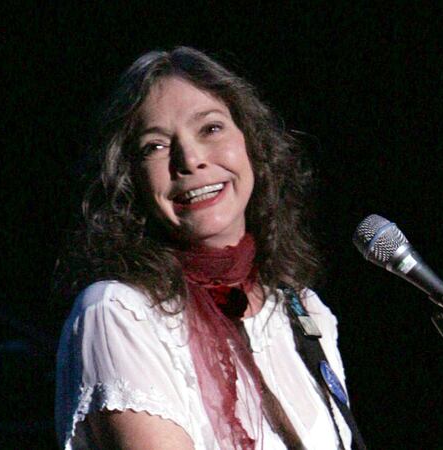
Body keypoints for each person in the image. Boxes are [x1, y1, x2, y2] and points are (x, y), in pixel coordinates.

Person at [54, 47, 357, 449]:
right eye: (155, 146)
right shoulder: (118, 313)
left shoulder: (304, 312)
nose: (190, 159)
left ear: (252, 143)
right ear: (131, 181)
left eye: (210, 129)